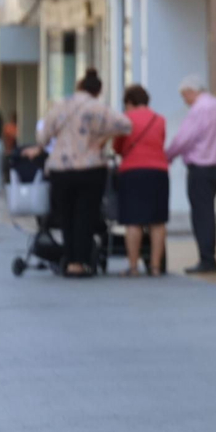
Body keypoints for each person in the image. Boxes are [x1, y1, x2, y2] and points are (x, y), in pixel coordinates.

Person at [35, 69, 132, 277]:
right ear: (98, 91)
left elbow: (43, 135)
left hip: (60, 168)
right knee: (85, 215)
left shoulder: (61, 105)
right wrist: (103, 137)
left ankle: (69, 260)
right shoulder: (98, 107)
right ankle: (80, 262)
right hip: (90, 167)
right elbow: (126, 124)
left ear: (79, 86)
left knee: (66, 216)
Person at [164, 76, 216, 275]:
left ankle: (207, 258)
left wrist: (168, 155)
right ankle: (209, 256)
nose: (184, 100)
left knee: (202, 213)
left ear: (192, 91)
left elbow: (184, 138)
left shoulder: (198, 110)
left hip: (199, 166)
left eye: (184, 96)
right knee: (207, 210)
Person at [113, 84, 170, 276]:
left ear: (129, 102)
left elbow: (118, 147)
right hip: (158, 171)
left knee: (134, 220)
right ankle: (155, 267)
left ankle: (133, 267)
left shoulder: (125, 119)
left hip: (132, 171)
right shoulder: (159, 119)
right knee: (158, 221)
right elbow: (160, 142)